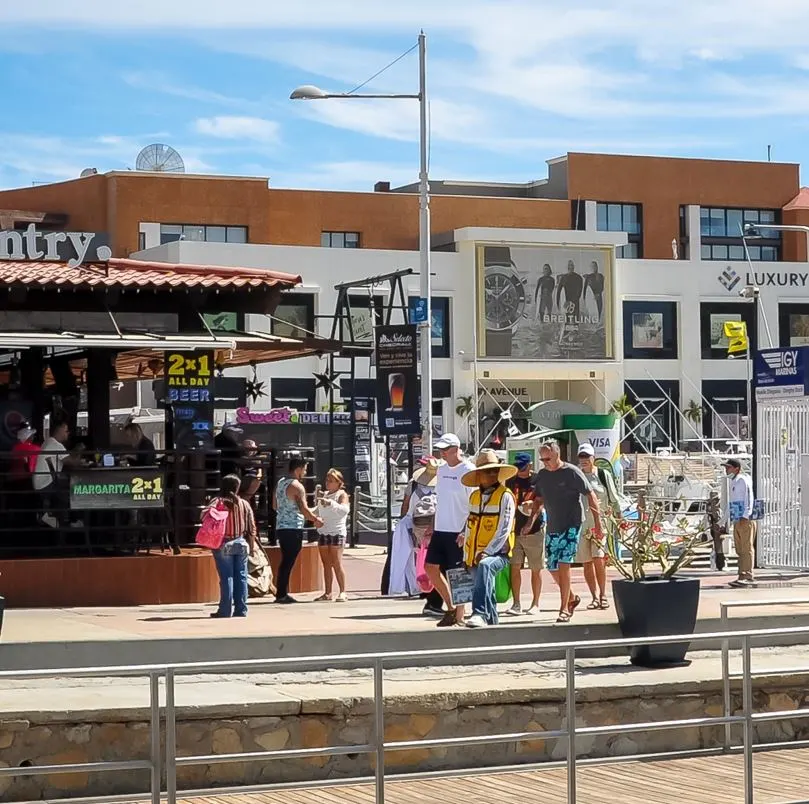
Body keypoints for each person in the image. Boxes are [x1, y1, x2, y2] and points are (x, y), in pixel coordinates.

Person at [526, 440, 603, 623]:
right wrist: (530, 522)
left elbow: (590, 495)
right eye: (542, 459)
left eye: (548, 458)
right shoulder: (543, 475)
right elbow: (538, 499)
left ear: (557, 454)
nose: (545, 462)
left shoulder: (571, 472)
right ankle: (572, 597)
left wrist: (598, 523)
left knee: (564, 564)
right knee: (552, 567)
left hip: (572, 524)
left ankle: (564, 609)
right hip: (553, 526)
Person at [462, 450, 517, 628]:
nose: (492, 474)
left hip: (498, 554)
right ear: (479, 474)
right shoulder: (474, 497)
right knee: (488, 592)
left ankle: (478, 612)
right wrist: (466, 555)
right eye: (487, 471)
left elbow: (504, 528)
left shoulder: (505, 496)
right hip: (474, 554)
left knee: (486, 567)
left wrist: (487, 551)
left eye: (495, 471)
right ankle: (493, 627)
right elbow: (470, 526)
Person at [425, 433, 475, 627]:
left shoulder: (468, 470)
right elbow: (440, 499)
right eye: (440, 450)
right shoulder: (442, 471)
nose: (442, 453)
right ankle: (451, 607)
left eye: (445, 449)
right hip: (441, 528)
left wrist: (466, 530)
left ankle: (460, 615)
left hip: (458, 529)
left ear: (456, 449)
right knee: (431, 568)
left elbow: (474, 504)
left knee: (457, 574)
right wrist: (432, 523)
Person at [273, 457, 323, 604]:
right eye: (305, 469)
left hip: (281, 526)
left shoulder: (280, 483)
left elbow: (275, 505)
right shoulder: (297, 486)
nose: (305, 472)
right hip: (293, 526)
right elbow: (304, 509)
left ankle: (281, 591)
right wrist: (315, 520)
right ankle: (282, 593)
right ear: (298, 469)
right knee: (288, 561)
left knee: (285, 560)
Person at [576, 444, 620, 610]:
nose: (584, 460)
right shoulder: (576, 476)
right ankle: (594, 596)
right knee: (586, 561)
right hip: (581, 524)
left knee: (599, 559)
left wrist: (619, 518)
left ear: (593, 457)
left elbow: (614, 498)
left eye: (587, 456)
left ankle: (603, 594)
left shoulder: (603, 474)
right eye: (581, 457)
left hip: (600, 523)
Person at [208, 474, 256, 618]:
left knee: (226, 577)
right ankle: (241, 609)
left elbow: (204, 516)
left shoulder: (217, 502)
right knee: (241, 576)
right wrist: (252, 546)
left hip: (223, 543)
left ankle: (224, 610)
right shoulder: (244, 504)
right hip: (240, 542)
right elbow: (252, 527)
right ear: (237, 488)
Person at [400, 458, 443, 614]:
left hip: (418, 526)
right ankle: (432, 597)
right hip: (435, 527)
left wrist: (404, 524)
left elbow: (407, 507)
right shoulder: (441, 486)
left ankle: (425, 588)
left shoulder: (414, 485)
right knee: (436, 563)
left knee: (422, 559)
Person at [507, 452, 544, 616]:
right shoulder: (510, 481)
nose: (520, 470)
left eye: (523, 467)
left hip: (534, 530)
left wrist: (532, 511)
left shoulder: (538, 480)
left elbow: (542, 503)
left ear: (530, 465)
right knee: (514, 567)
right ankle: (516, 603)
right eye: (517, 467)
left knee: (535, 568)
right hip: (515, 530)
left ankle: (535, 603)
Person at [33, 419, 80, 529]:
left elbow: (67, 459)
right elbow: (72, 463)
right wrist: (80, 452)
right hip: (46, 484)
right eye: (66, 430)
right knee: (73, 489)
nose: (68, 433)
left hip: (40, 483)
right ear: (60, 430)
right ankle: (69, 521)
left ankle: (50, 515)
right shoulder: (55, 444)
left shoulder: (48, 441)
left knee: (68, 485)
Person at [315, 468, 351, 602]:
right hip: (324, 531)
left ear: (338, 482)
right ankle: (328, 592)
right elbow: (318, 511)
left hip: (337, 531)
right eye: (327, 480)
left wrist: (331, 503)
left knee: (336, 562)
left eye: (331, 481)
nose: (328, 483)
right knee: (326, 564)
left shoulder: (342, 494)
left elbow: (344, 511)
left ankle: (342, 591)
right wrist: (309, 515)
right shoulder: (324, 495)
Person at [724, 458, 755, 587]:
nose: (726, 469)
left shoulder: (742, 479)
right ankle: (741, 574)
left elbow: (748, 496)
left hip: (744, 518)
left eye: (729, 467)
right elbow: (732, 502)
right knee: (740, 548)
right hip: (737, 518)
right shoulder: (733, 481)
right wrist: (725, 520)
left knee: (746, 547)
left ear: (736, 468)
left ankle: (748, 574)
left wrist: (746, 514)